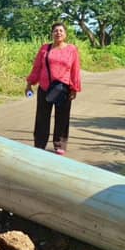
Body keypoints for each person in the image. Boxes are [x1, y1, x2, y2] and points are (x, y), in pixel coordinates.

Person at [25, 22, 82, 154]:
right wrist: (29, 84)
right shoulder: (45, 48)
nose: (58, 33)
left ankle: (59, 144)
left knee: (62, 118)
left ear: (65, 34)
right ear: (52, 33)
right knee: (42, 118)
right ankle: (39, 144)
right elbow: (37, 67)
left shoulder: (72, 50)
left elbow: (75, 69)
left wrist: (74, 88)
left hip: (63, 89)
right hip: (45, 87)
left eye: (61, 31)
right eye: (55, 31)